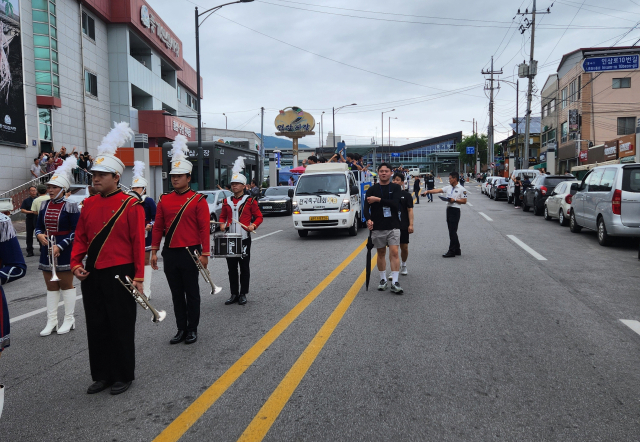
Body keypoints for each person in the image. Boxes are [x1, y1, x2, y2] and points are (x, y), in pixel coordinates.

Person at [71, 122, 144, 395]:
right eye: (93, 175)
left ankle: (123, 374)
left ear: (116, 177)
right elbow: (80, 238)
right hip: (94, 273)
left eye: (102, 175)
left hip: (121, 272)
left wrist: (139, 277)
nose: (96, 179)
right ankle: (101, 374)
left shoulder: (131, 204)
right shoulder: (88, 204)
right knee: (97, 324)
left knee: (121, 325)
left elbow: (139, 242)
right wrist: (76, 263)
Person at [151, 135, 210, 346]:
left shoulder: (198, 200)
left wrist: (205, 253)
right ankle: (180, 328)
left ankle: (192, 329)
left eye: (179, 176)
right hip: (171, 253)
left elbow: (204, 228)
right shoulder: (164, 199)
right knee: (176, 294)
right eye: (173, 176)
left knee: (191, 292)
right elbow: (158, 227)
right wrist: (154, 251)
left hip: (191, 251)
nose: (174, 179)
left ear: (188, 177)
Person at [36, 157, 81, 336]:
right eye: (48, 187)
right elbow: (38, 225)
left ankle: (69, 319)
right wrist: (38, 234)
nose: (50, 190)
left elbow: (77, 231)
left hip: (64, 249)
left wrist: (60, 246)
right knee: (51, 286)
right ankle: (51, 321)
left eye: (54, 187)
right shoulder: (44, 205)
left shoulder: (71, 206)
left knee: (66, 284)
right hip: (47, 250)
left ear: (63, 189)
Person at [220, 159, 263, 306]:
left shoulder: (250, 201)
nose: (234, 186)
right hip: (229, 239)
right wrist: (221, 224)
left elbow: (259, 217)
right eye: (232, 184)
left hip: (244, 238)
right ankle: (234, 294)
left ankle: (243, 293)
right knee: (231, 268)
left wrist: (253, 225)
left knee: (244, 267)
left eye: (237, 184)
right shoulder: (226, 201)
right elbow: (222, 217)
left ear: (244, 186)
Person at [364, 163, 403, 294]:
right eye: (381, 171)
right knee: (380, 253)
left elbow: (395, 204)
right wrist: (368, 219)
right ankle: (383, 280)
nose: (384, 173)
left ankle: (395, 282)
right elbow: (365, 208)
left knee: (395, 252)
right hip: (378, 226)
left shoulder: (396, 188)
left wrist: (378, 200)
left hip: (393, 225)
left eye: (386, 171)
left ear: (391, 173)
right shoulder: (371, 189)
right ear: (378, 172)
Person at [421, 171, 468, 258]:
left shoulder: (462, 189)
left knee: (452, 231)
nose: (449, 180)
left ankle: (452, 251)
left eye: (450, 178)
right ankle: (457, 249)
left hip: (455, 210)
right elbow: (438, 190)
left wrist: (454, 200)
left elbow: (464, 201)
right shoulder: (449, 187)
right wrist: (428, 191)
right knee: (452, 230)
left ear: (455, 179)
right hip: (449, 209)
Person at [130, 161, 156, 300]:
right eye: (133, 187)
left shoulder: (149, 201)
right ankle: (136, 288)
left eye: (138, 188)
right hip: (133, 235)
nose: (135, 189)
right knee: (134, 261)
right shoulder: (129, 201)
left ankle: (146, 290)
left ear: (144, 189)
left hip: (146, 234)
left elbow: (156, 217)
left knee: (145, 261)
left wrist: (150, 224)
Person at [392, 173, 414, 276]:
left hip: (404, 225)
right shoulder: (389, 195)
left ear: (402, 182)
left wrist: (411, 225)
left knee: (404, 247)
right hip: (392, 225)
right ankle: (393, 270)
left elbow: (410, 210)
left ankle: (404, 264)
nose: (395, 182)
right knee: (393, 249)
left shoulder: (407, 195)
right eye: (394, 180)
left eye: (397, 180)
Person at [20, 186, 38, 257]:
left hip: (37, 218)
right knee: (29, 235)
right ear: (29, 192)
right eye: (32, 191)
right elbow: (22, 210)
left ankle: (42, 249)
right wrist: (31, 212)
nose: (33, 192)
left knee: (39, 234)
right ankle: (30, 251)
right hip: (29, 219)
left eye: (34, 190)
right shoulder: (26, 200)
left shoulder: (38, 200)